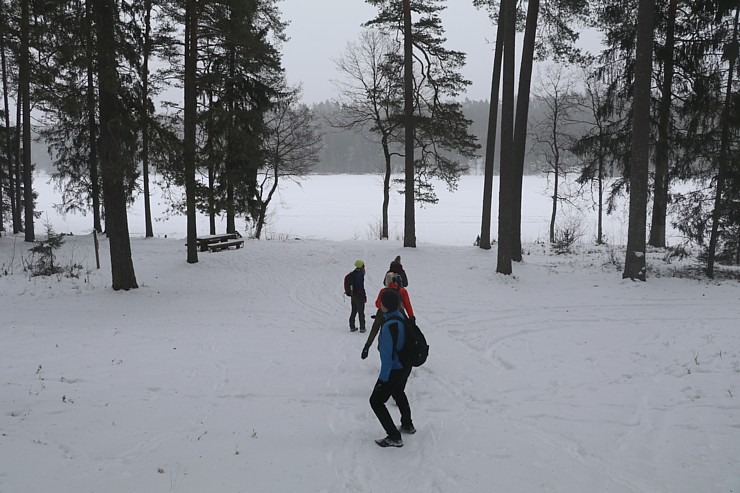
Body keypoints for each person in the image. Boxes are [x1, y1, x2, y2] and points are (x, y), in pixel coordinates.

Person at [369, 289, 415, 447]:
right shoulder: (400, 316)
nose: (379, 304)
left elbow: (387, 359)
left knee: (375, 401)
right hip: (405, 366)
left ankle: (394, 436)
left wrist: (382, 379)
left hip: (394, 369)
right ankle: (407, 425)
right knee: (398, 391)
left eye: (381, 302)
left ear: (386, 305)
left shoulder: (389, 326)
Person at [361, 272, 414, 359]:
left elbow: (378, 304)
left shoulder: (383, 291)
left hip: (383, 315)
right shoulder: (402, 291)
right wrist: (411, 316)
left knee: (381, 334)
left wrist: (367, 346)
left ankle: (371, 349)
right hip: (399, 316)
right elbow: (408, 305)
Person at [347, 260, 367, 332]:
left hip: (353, 295)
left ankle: (352, 326)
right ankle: (362, 327)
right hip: (359, 296)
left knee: (353, 311)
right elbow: (361, 287)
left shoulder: (352, 274)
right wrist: (364, 296)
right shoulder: (360, 275)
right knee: (361, 312)